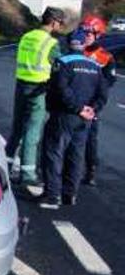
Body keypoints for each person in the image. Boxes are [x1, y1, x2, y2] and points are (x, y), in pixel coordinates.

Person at [39, 28, 107, 208]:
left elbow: (60, 89)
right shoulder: (94, 66)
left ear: (69, 43)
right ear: (84, 43)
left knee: (53, 153)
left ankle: (52, 195)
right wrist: (92, 109)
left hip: (64, 115)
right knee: (76, 156)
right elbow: (103, 93)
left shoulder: (62, 62)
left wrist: (77, 109)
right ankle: (70, 194)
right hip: (85, 119)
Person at [5, 6, 66, 187]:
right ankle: (28, 174)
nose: (60, 27)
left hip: (21, 85)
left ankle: (6, 167)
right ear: (54, 22)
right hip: (39, 89)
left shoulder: (26, 37)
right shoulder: (50, 43)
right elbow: (59, 67)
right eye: (60, 23)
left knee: (17, 129)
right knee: (32, 131)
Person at [78, 14, 117, 186]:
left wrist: (95, 105)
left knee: (90, 139)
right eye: (83, 32)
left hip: (92, 104)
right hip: (72, 102)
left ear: (97, 35)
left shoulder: (105, 57)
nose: (85, 37)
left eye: (89, 34)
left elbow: (108, 83)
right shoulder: (74, 51)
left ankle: (91, 170)